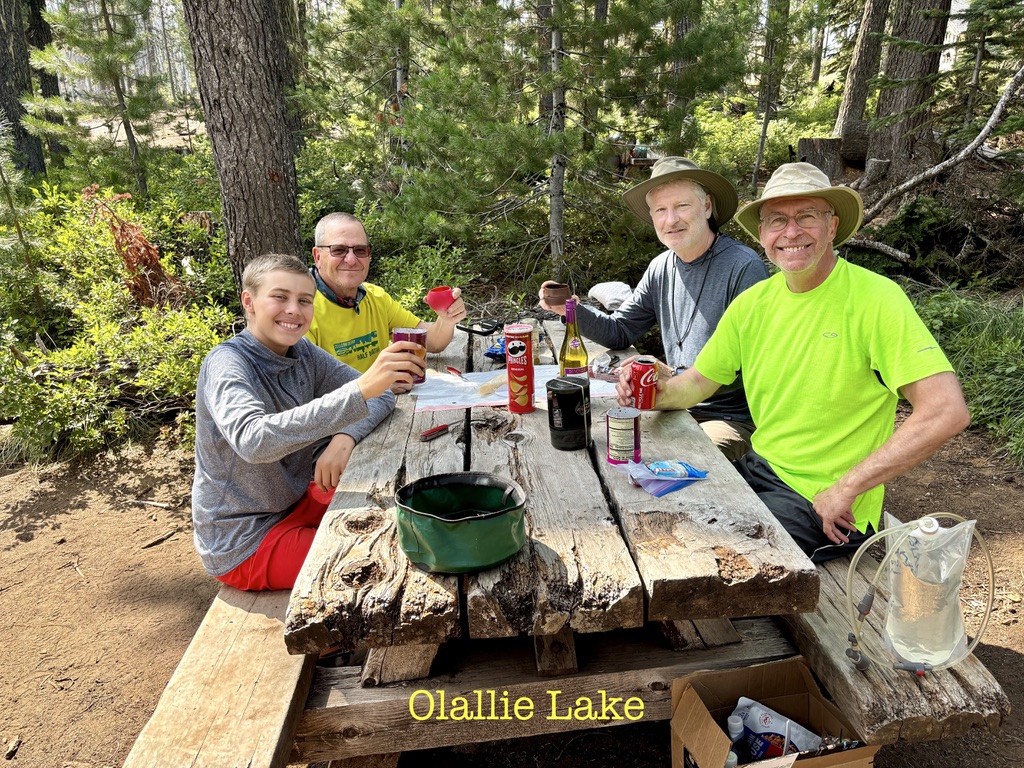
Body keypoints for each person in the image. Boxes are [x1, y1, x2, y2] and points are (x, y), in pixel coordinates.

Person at [616, 163, 971, 562]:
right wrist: (648, 391)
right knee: (648, 518)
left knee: (706, 558)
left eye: (806, 217)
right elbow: (697, 383)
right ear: (763, 234)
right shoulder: (754, 303)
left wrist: (846, 487)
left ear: (832, 226)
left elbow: (946, 411)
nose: (791, 232)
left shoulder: (877, 300)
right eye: (777, 220)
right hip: (760, 469)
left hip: (826, 504)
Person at [192, 253, 426, 591]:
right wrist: (359, 390)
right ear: (249, 301)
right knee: (381, 559)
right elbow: (254, 441)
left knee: (408, 516)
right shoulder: (227, 364)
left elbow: (383, 396)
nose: (294, 310)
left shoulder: (303, 353)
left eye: (305, 300)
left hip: (299, 499)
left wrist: (344, 436)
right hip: (244, 539)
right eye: (280, 297)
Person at [539, 157, 769, 460]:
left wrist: (666, 373)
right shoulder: (662, 267)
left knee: (689, 458)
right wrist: (569, 308)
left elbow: (749, 367)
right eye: (661, 210)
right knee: (600, 444)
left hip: (727, 418)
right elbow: (621, 331)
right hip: (671, 403)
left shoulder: (742, 267)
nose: (671, 220)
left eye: (682, 206)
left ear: (708, 207)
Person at [306, 212, 468, 392]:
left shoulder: (376, 297)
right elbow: (306, 393)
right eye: (338, 250)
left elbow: (433, 342)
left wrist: (446, 318)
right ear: (317, 256)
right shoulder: (301, 310)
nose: (351, 259)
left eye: (360, 250)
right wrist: (375, 386)